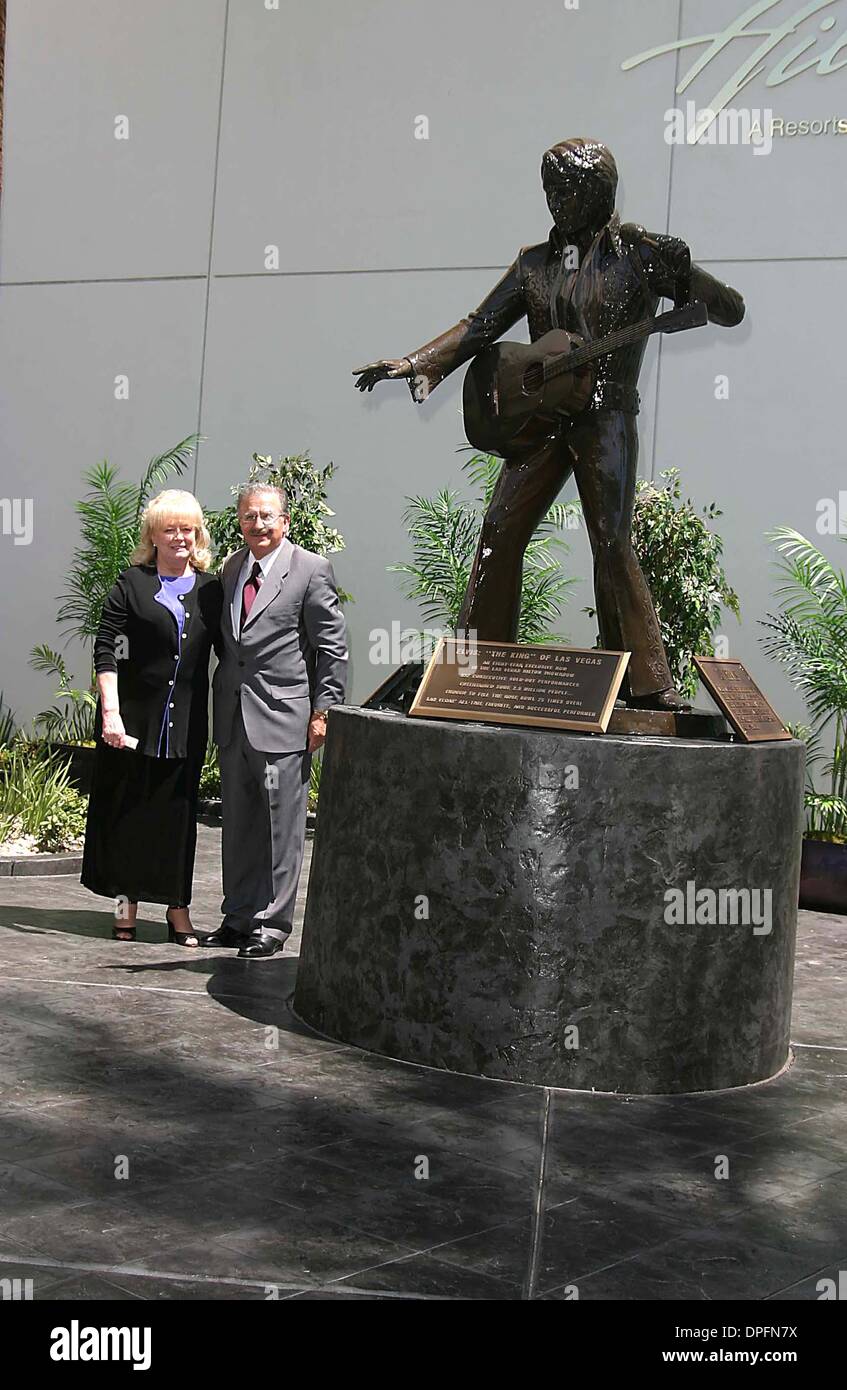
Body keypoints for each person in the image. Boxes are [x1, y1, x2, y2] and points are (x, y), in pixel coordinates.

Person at [353, 137, 745, 710]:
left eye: (570, 190)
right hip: (543, 419)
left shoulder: (638, 256)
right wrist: (418, 362)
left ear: (600, 193)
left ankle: (646, 684)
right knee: (498, 532)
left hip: (605, 415)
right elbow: (481, 324)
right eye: (550, 191)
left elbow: (729, 309)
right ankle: (477, 671)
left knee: (611, 540)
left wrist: (690, 274)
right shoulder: (533, 263)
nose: (557, 201)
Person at [203, 483, 347, 959]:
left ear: (284, 521)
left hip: (285, 718)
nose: (257, 525)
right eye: (248, 517)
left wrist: (324, 712)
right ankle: (239, 915)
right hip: (233, 717)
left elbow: (332, 649)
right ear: (239, 522)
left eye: (266, 516)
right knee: (239, 823)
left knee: (281, 828)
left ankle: (272, 923)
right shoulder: (230, 567)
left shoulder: (310, 570)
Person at [81, 490, 223, 945]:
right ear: (154, 536)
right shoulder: (131, 583)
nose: (180, 537)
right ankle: (126, 907)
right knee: (129, 815)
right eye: (170, 529)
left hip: (185, 727)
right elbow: (106, 651)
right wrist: (112, 714)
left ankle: (177, 912)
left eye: (188, 529)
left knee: (177, 819)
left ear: (197, 534)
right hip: (132, 723)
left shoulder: (210, 590)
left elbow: (233, 649)